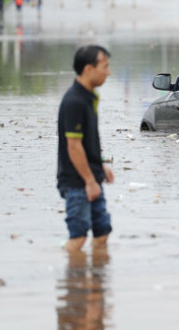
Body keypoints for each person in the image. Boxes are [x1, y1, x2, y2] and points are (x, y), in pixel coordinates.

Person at [57, 45, 114, 252]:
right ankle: (70, 279)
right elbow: (73, 147)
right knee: (79, 237)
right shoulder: (74, 101)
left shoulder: (88, 99)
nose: (108, 72)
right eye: (105, 66)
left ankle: (95, 281)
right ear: (89, 69)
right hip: (77, 182)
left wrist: (100, 167)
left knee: (102, 233)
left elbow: (86, 142)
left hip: (91, 177)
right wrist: (89, 181)